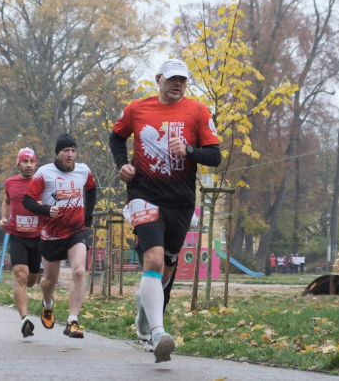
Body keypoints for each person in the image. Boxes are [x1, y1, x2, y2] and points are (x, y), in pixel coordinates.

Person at [109, 58, 221, 363]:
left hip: (181, 201)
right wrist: (123, 165)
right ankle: (158, 333)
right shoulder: (137, 109)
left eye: (182, 80)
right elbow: (116, 137)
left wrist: (189, 150)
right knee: (154, 258)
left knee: (167, 269)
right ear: (158, 79)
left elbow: (215, 156)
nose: (177, 85)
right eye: (172, 79)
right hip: (144, 193)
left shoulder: (197, 111)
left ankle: (145, 312)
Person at [23, 134, 96, 340]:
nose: (70, 155)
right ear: (58, 153)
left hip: (76, 231)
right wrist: (46, 210)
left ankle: (72, 321)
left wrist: (87, 218)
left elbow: (91, 189)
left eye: (73, 150)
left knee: (79, 271)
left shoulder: (84, 170)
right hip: (51, 234)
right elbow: (28, 201)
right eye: (66, 151)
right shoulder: (44, 173)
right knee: (50, 281)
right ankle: (48, 304)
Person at [0, 147, 42, 339]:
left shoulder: (43, 182)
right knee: (20, 276)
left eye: (32, 162)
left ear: (36, 164)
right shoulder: (10, 183)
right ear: (19, 164)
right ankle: (25, 319)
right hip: (17, 235)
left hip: (38, 237)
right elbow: (7, 202)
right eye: (25, 161)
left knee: (31, 280)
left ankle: (28, 298)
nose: (29, 165)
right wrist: (3, 218)